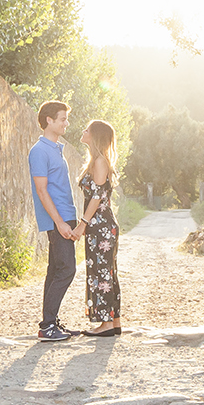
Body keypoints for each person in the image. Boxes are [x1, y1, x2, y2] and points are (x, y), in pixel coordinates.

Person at [29, 101, 78, 342]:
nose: (66, 123)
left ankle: (51, 322)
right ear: (49, 120)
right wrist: (59, 222)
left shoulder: (56, 148)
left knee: (55, 270)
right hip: (57, 219)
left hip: (65, 215)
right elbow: (41, 190)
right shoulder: (39, 151)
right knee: (67, 269)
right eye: (62, 119)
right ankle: (47, 326)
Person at [74, 119, 122, 336]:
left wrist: (82, 224)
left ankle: (106, 324)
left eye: (87, 130)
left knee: (102, 272)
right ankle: (114, 321)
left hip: (100, 225)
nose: (83, 132)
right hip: (100, 225)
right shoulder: (96, 161)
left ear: (95, 136)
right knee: (107, 271)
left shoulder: (99, 162)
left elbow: (96, 196)